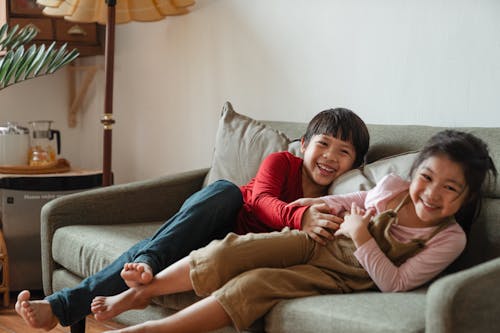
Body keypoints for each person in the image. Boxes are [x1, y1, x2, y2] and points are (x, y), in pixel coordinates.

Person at [87, 130, 495, 333]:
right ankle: (137, 293)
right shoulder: (393, 189)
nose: (433, 193)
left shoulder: (448, 238)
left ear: (467, 198)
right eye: (427, 177)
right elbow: (355, 204)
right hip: (316, 239)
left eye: (451, 188)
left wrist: (362, 236)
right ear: (415, 172)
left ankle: (152, 329)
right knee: (231, 251)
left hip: (339, 276)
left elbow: (395, 283)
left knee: (254, 284)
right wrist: (317, 205)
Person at [15, 107, 370, 330]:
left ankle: (67, 303)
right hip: (216, 217)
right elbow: (260, 201)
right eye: (323, 144)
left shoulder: (338, 199)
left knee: (151, 252)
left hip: (231, 249)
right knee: (225, 191)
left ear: (355, 165)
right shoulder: (281, 162)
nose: (330, 156)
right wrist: (301, 214)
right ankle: (136, 270)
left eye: (344, 152)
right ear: (304, 144)